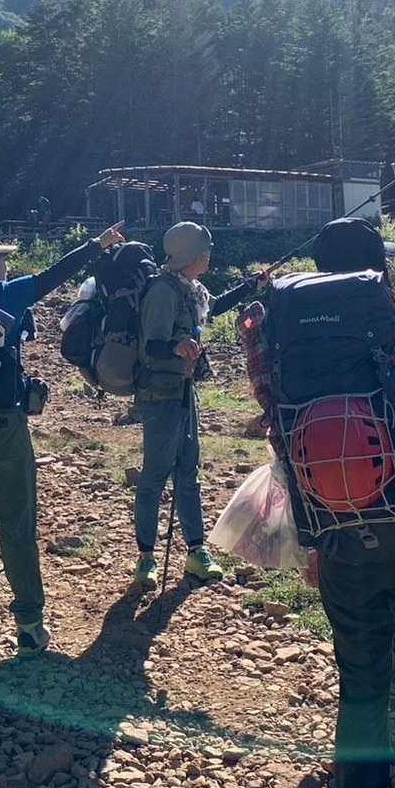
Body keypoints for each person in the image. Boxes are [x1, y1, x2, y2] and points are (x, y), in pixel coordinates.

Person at [238, 217, 395, 788]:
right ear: (382, 272)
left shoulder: (283, 350)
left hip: (336, 535)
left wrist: (310, 541)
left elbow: (281, 433)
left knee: (361, 683)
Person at [0, 221, 125, 664]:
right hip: (2, 430)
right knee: (16, 527)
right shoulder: (3, 298)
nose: (6, 264)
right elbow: (53, 277)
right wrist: (96, 245)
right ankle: (30, 627)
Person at [132, 221, 263, 588]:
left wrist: (251, 286)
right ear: (190, 255)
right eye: (205, 250)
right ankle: (146, 558)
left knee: (188, 473)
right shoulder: (162, 291)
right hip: (160, 395)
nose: (209, 255)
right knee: (155, 474)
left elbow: (214, 307)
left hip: (184, 390)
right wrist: (176, 346)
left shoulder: (191, 288)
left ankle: (195, 551)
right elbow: (151, 346)